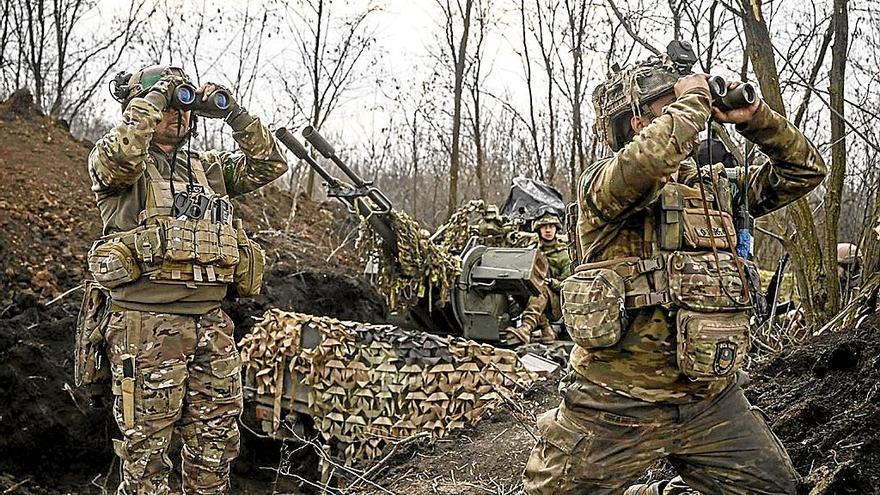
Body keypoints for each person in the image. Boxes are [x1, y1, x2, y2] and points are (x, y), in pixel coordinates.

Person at [522, 52, 826, 494]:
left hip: (710, 401)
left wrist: (755, 118)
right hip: (616, 403)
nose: (696, 113)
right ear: (640, 124)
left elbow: (805, 170)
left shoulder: (719, 188)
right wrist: (693, 100)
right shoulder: (605, 185)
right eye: (674, 104)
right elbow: (645, 165)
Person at [86, 65, 288, 494]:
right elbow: (122, 155)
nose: (178, 115)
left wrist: (233, 113)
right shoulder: (119, 167)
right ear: (140, 108)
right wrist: (158, 95)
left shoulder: (207, 169)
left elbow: (270, 164)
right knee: (147, 454)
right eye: (168, 107)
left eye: (184, 108)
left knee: (215, 444)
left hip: (211, 325)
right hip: (145, 328)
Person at [505, 212, 572, 344]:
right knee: (520, 288)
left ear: (556, 229)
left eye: (551, 227)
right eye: (544, 227)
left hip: (557, 302)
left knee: (540, 289)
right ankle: (546, 330)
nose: (548, 230)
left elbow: (567, 284)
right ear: (538, 230)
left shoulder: (563, 255)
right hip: (536, 299)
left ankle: (526, 328)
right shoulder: (532, 251)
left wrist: (552, 282)